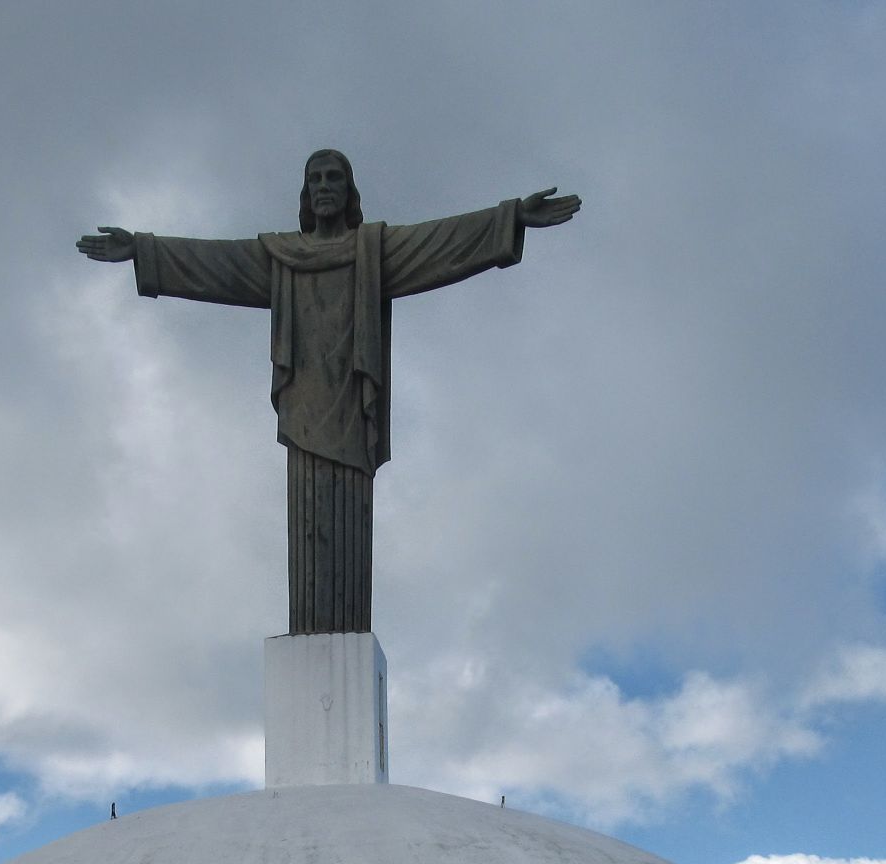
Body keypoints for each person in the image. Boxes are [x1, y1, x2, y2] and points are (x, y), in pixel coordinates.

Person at [77, 150, 580, 634]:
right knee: (308, 528)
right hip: (304, 411)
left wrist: (510, 218)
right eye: (314, 179)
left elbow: (441, 243)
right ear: (304, 191)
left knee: (349, 536)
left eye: (333, 178)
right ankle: (312, 635)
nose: (323, 188)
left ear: (349, 191)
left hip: (351, 413)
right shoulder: (280, 257)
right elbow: (216, 265)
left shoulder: (373, 252)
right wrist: (143, 249)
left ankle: (344, 640)